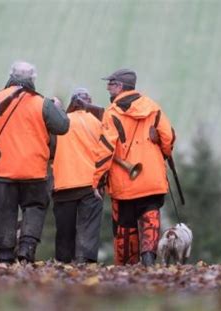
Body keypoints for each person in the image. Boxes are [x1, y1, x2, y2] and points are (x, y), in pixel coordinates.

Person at [0, 61, 70, 263]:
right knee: (35, 207)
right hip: (35, 171)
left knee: (3, 211)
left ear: (10, 75)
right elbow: (63, 126)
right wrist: (59, 108)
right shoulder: (43, 103)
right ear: (33, 79)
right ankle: (27, 247)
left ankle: (4, 256)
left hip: (2, 170)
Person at [92, 69, 176, 266]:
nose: (107, 88)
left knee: (126, 223)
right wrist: (162, 152)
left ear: (121, 86)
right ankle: (148, 257)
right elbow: (168, 138)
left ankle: (130, 266)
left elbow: (105, 149)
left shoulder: (112, 113)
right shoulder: (153, 108)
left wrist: (97, 180)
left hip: (125, 181)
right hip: (153, 177)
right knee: (150, 213)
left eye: (111, 84)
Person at [52, 87, 103, 264]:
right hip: (90, 184)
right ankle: (84, 260)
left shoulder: (61, 122)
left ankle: (64, 261)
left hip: (63, 183)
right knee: (88, 226)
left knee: (65, 228)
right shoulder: (98, 122)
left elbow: (50, 149)